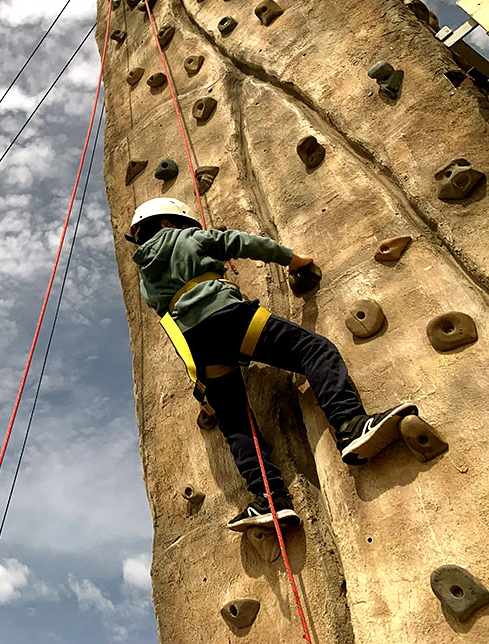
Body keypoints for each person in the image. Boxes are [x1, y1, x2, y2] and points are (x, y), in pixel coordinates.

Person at [126, 197, 416, 531]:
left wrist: (196, 369)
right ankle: (350, 425)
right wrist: (293, 259)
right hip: (228, 319)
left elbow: (165, 317)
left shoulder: (145, 277)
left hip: (197, 345)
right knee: (313, 351)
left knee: (235, 423)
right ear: (167, 223)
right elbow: (241, 243)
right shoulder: (186, 238)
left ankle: (270, 499)